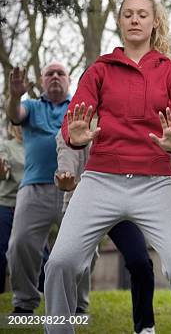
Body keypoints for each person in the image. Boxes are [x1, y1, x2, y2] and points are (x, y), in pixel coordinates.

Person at [44, 0, 171, 334]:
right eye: (128, 14)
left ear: (154, 22)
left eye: (142, 15)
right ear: (119, 22)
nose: (135, 20)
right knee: (59, 263)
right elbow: (76, 117)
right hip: (101, 180)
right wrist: (75, 133)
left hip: (156, 182)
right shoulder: (100, 68)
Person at [5, 62, 90, 314]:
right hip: (34, 188)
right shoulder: (30, 107)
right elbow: (14, 114)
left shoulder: (80, 106)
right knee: (20, 244)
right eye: (49, 74)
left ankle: (77, 304)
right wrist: (15, 95)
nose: (55, 77)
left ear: (69, 79)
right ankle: (24, 302)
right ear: (41, 81)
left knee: (84, 246)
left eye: (60, 73)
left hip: (75, 187)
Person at [55, 126, 156, 334]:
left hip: (119, 203)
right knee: (68, 264)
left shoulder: (122, 120)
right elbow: (68, 150)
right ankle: (63, 319)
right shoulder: (77, 121)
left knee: (141, 263)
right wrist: (67, 174)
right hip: (83, 203)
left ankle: (145, 326)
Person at [0, 124, 23, 293]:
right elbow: (4, 173)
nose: (21, 128)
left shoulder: (36, 145)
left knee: (38, 253)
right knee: (1, 251)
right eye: (17, 125)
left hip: (30, 205)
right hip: (6, 205)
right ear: (11, 127)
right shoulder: (7, 146)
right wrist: (2, 169)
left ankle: (44, 291)